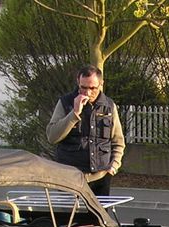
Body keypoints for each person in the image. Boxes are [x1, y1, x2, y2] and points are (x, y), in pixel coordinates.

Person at [46, 65, 125, 196]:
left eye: (92, 88)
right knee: (70, 217)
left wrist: (113, 167)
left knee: (99, 217)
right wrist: (74, 113)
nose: (87, 93)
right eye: (83, 87)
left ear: (101, 84)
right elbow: (52, 136)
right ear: (78, 82)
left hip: (100, 177)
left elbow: (118, 141)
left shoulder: (109, 106)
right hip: (69, 177)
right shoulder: (65, 103)